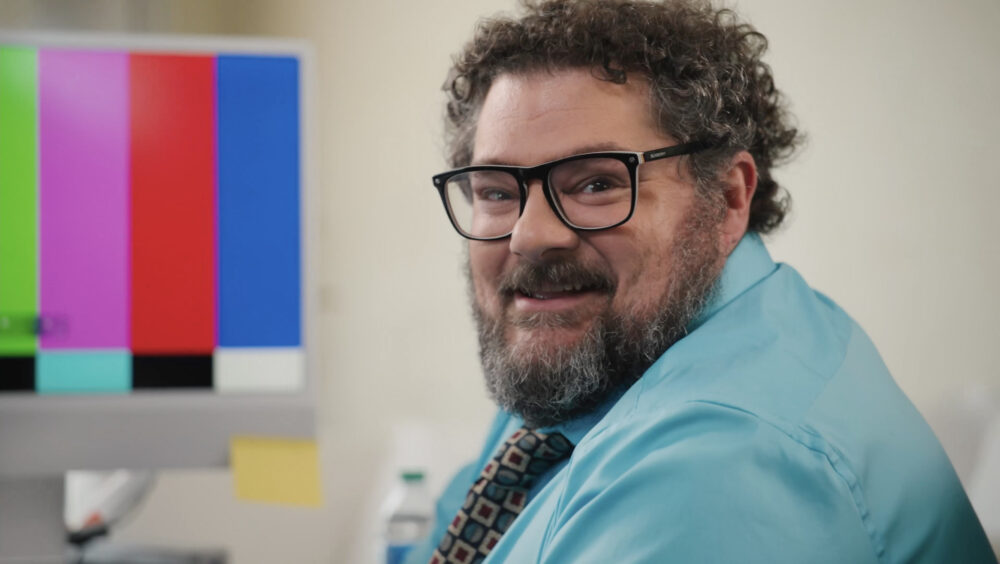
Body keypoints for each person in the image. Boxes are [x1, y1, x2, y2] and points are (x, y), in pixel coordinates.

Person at [407, 0, 996, 562]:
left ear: (730, 195)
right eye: (496, 191)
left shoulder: (719, 462)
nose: (530, 237)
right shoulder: (599, 348)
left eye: (595, 183)